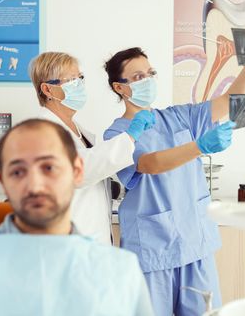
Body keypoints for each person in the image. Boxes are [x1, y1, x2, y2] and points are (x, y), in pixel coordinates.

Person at [103, 32, 245, 315]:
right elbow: (150, 164)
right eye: (137, 77)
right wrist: (199, 146)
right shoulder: (117, 135)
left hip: (195, 244)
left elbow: (232, 102)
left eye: (150, 72)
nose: (147, 80)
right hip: (152, 250)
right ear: (119, 88)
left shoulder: (178, 116)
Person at [0, 119, 154, 316]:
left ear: (77, 171)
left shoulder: (120, 273)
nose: (35, 185)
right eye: (18, 171)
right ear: (3, 181)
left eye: (48, 168)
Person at [28, 52, 155, 244]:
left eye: (80, 78)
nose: (79, 85)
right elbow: (79, 170)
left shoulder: (82, 132)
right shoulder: (41, 132)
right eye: (71, 80)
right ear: (48, 90)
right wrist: (130, 136)